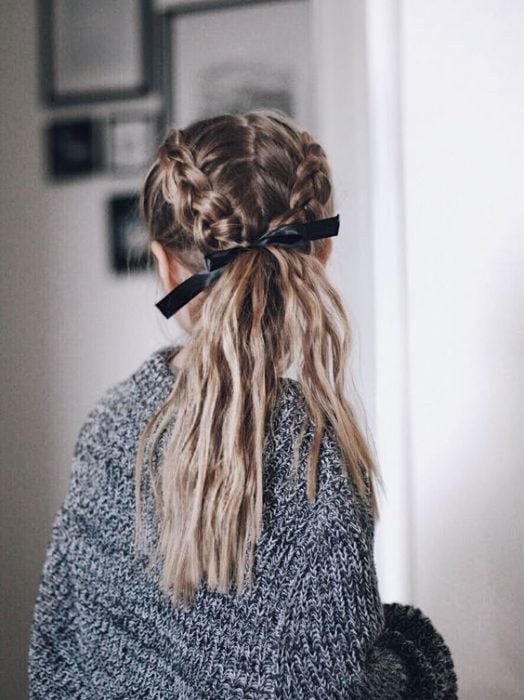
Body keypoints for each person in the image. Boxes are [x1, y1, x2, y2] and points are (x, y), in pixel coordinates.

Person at [28, 109, 458, 698]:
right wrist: (416, 655)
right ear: (322, 254)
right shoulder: (316, 458)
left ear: (162, 264)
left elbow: (55, 656)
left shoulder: (108, 427)